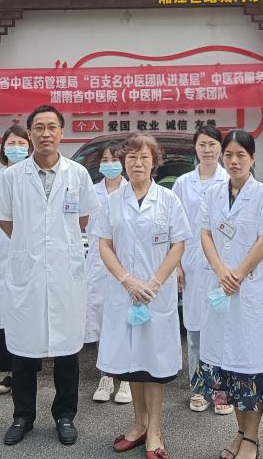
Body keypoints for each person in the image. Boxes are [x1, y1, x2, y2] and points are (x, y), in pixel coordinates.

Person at [0, 104, 102, 447]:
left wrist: (56, 245)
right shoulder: (11, 177)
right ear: (29, 134)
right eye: (38, 127)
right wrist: (32, 246)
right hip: (26, 270)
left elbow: (84, 218)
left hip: (65, 272)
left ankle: (65, 415)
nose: (45, 133)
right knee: (24, 349)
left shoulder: (77, 174)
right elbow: (6, 221)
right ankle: (23, 416)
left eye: (51, 127)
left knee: (67, 350)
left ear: (61, 132)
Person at [193, 130, 263, 459]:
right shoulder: (212, 193)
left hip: (252, 289)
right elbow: (205, 233)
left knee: (253, 367)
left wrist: (237, 273)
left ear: (252, 158)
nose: (233, 161)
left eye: (241, 155)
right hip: (223, 286)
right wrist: (221, 270)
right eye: (229, 155)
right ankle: (239, 432)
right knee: (229, 367)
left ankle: (252, 438)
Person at [95, 133, 191, 459]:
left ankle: (154, 431)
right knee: (132, 363)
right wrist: (127, 281)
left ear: (154, 162)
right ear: (124, 161)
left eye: (144, 157)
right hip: (125, 292)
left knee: (155, 363)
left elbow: (178, 244)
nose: (137, 163)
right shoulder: (112, 201)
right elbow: (104, 245)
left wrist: (154, 283)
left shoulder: (168, 200)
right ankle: (138, 424)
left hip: (156, 294)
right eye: (132, 157)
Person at [171, 124, 232, 415]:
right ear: (195, 148)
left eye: (212, 144)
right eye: (202, 145)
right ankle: (198, 388)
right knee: (194, 332)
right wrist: (177, 265)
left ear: (221, 147)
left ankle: (221, 389)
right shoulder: (183, 183)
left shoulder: (230, 180)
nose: (207, 150)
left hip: (222, 264)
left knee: (221, 329)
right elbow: (175, 228)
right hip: (192, 264)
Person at [88, 142, 133, 406]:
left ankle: (126, 376)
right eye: (105, 160)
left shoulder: (132, 191)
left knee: (125, 319)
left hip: (125, 265)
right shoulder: (91, 191)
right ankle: (106, 375)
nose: (110, 164)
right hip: (96, 264)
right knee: (100, 319)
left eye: (115, 160)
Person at [0, 125, 31, 396]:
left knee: (26, 311)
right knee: (4, 311)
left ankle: (27, 371)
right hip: (1, 252)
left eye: (21, 143)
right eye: (11, 143)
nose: (16, 148)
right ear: (3, 148)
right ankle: (12, 372)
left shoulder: (33, 177)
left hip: (28, 253)